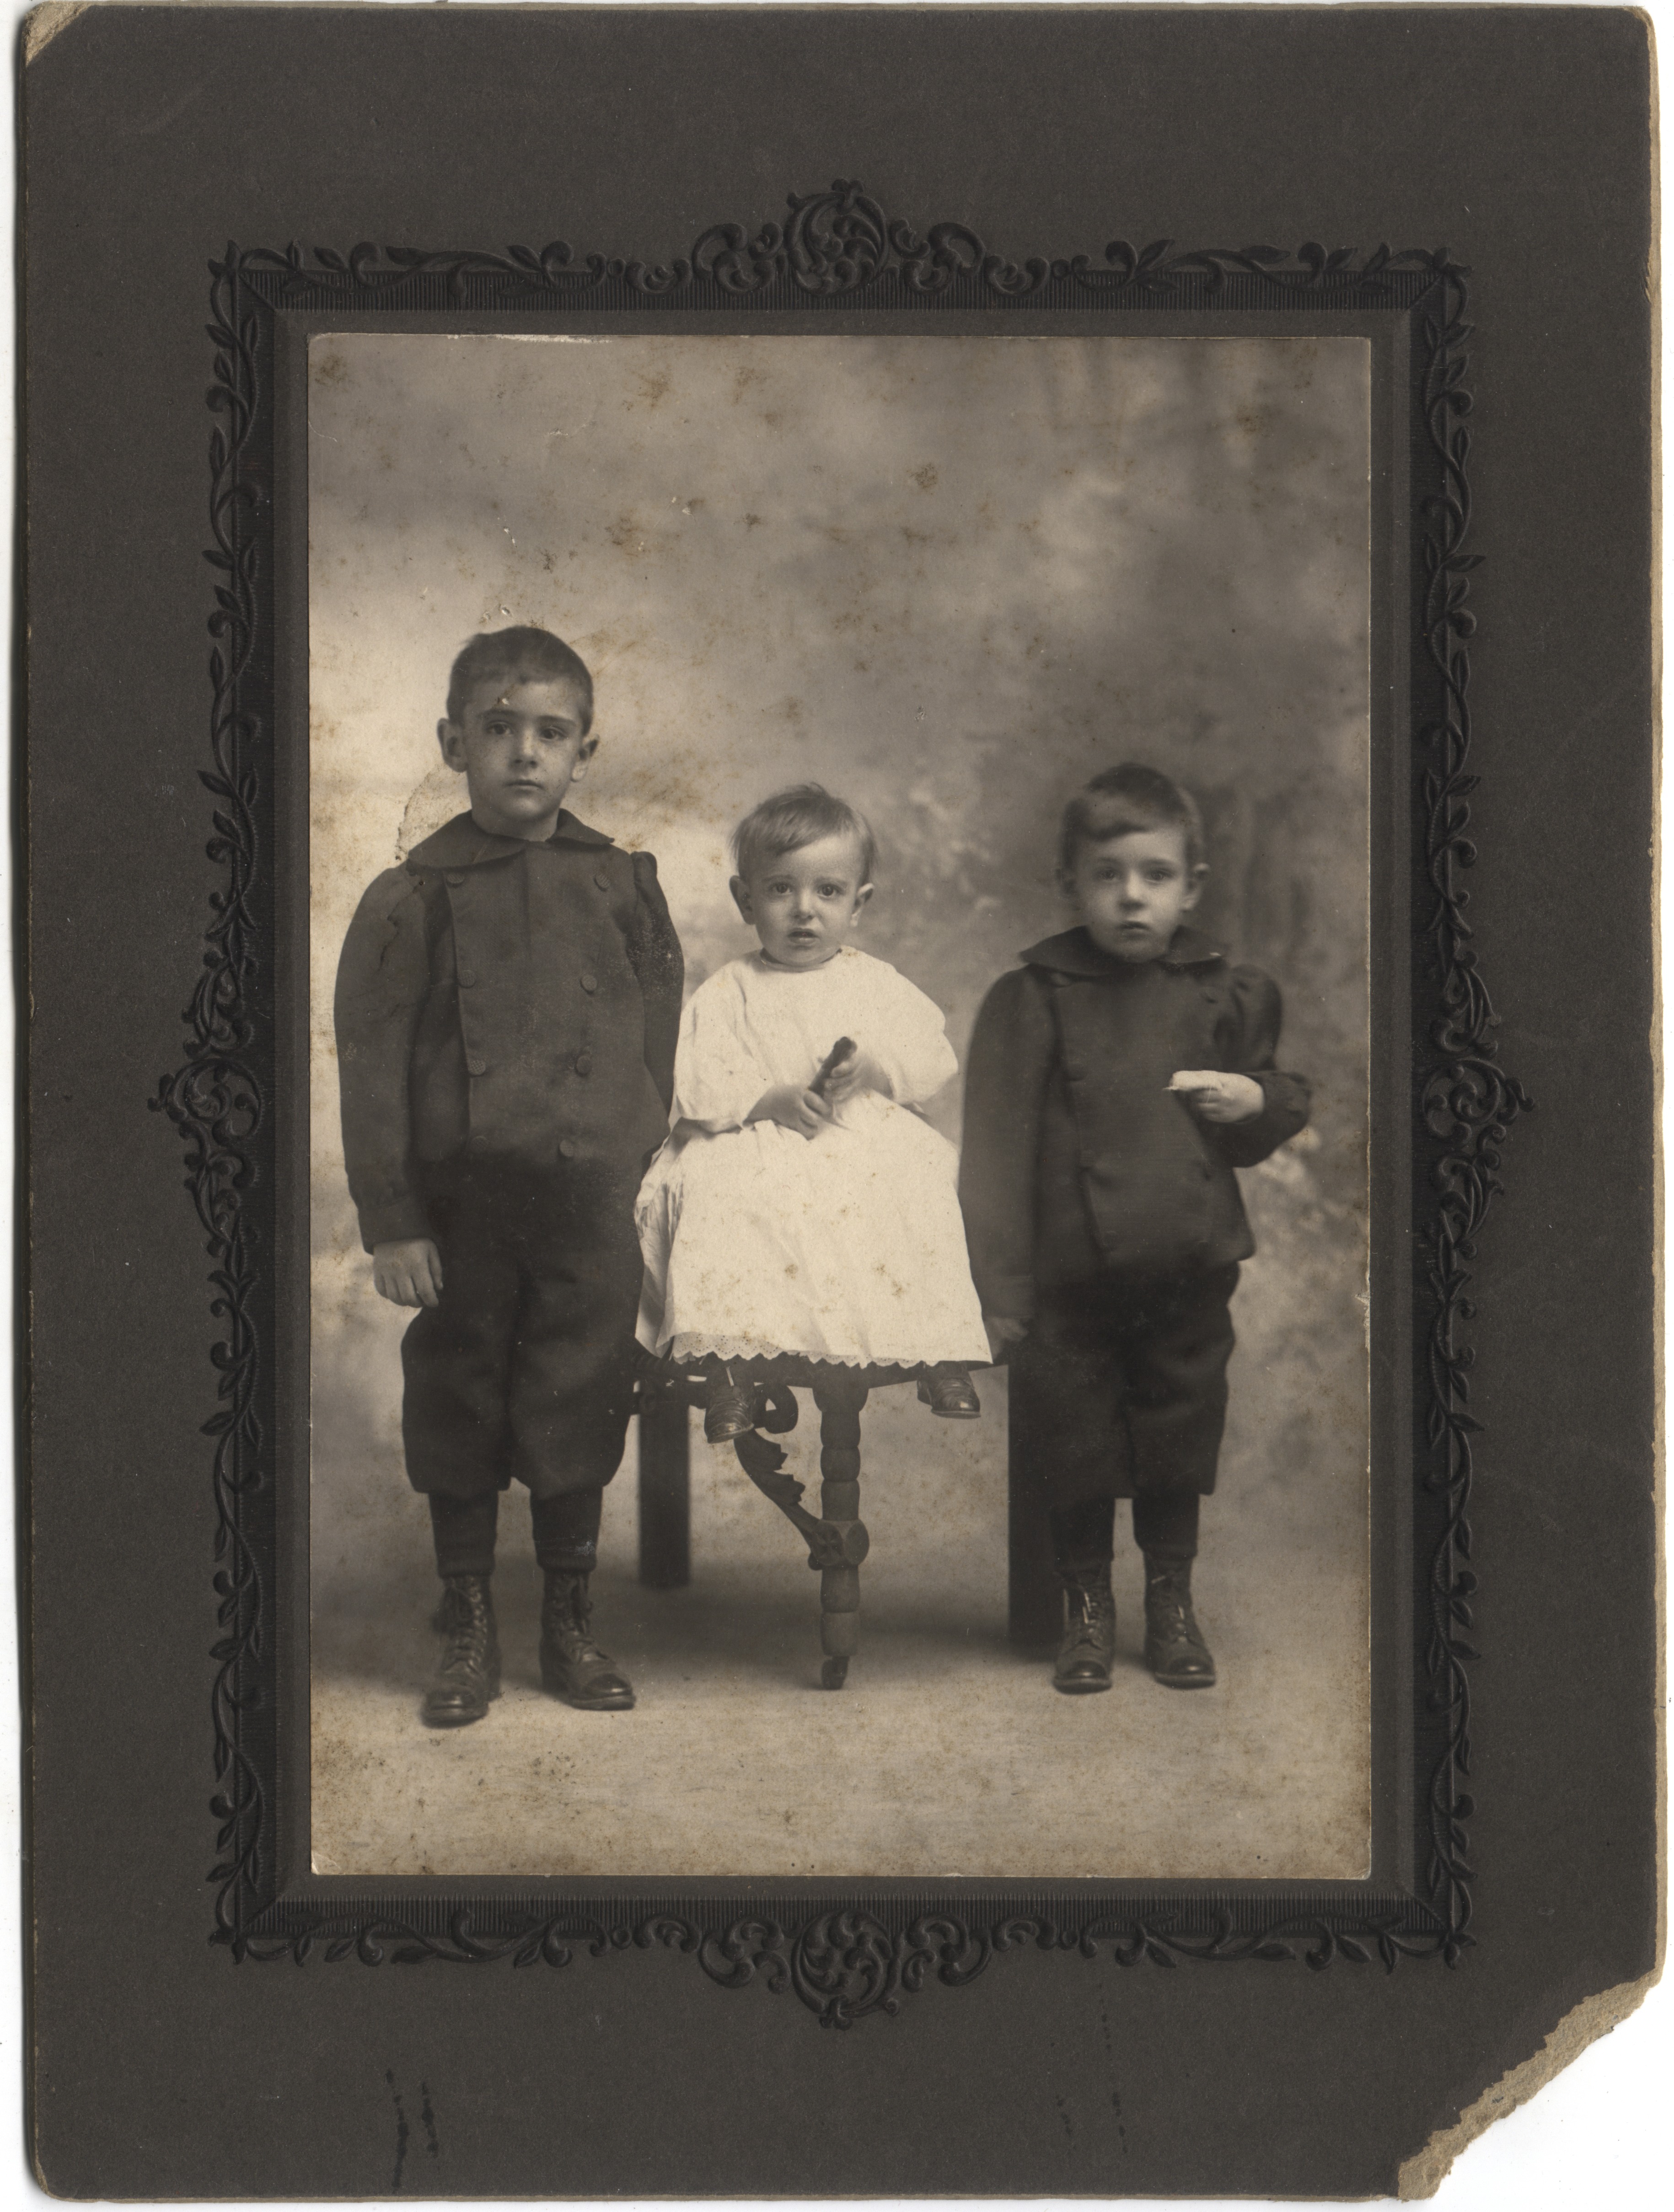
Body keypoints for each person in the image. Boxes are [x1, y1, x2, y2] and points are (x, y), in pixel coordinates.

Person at [333, 625, 682, 1727]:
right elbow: (371, 1068)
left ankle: (569, 1619)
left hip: (587, 1208)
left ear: (585, 751)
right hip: (462, 1213)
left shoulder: (621, 884)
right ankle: (469, 1620)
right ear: (453, 745)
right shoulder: (410, 896)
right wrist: (394, 1220)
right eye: (498, 729)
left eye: (551, 733)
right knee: (461, 1401)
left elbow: (657, 1040)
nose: (525, 753)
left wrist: (635, 1160)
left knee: (581, 1398)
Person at [959, 762, 1310, 1695]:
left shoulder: (1224, 993)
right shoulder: (1033, 998)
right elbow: (992, 1158)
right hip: (1067, 1283)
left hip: (1186, 1270)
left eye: (1155, 876)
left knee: (1176, 1442)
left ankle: (1170, 1604)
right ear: (1069, 884)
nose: (1131, 896)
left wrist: (1255, 1099)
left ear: (1191, 887)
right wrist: (1001, 1291)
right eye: (1107, 875)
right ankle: (1085, 1609)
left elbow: (1270, 1104)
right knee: (1072, 1446)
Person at [635, 783, 988, 1439]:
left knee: (921, 1181)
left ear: (859, 903)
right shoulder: (731, 989)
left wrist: (873, 1069)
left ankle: (938, 1349)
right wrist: (768, 1098)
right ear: (746, 900)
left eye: (828, 891)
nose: (804, 910)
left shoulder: (875, 983)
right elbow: (696, 1080)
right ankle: (733, 1365)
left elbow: (930, 1058)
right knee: (717, 1191)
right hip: (758, 1135)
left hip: (858, 1135)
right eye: (780, 890)